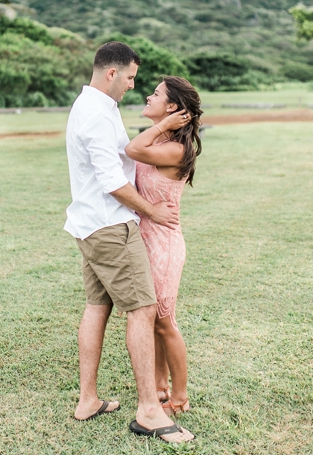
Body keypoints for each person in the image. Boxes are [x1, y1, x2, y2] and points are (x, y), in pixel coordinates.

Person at [64, 41, 194, 444]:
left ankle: (88, 399)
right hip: (110, 227)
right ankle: (149, 411)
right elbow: (113, 181)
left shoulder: (95, 107)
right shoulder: (96, 116)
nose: (133, 86)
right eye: (132, 78)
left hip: (89, 224)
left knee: (97, 306)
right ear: (111, 74)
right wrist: (151, 212)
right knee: (143, 309)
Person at [124, 76, 204, 417]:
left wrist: (165, 126)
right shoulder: (163, 142)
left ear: (172, 107)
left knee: (164, 321)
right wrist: (164, 125)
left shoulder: (176, 148)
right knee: (151, 319)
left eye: (155, 94)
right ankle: (158, 387)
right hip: (146, 239)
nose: (148, 95)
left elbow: (132, 150)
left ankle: (180, 395)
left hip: (164, 245)